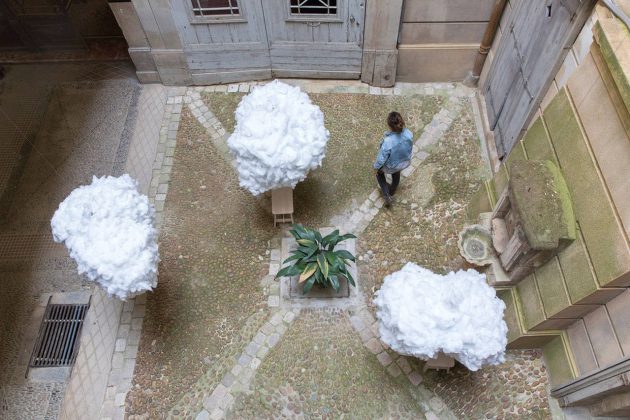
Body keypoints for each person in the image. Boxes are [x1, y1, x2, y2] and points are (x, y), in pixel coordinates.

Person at [373, 111, 413, 206]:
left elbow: (381, 159)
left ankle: (386, 195)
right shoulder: (409, 134)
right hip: (404, 162)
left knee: (379, 173)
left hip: (391, 165)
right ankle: (392, 190)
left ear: (390, 126)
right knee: (396, 174)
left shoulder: (388, 142)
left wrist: (375, 167)